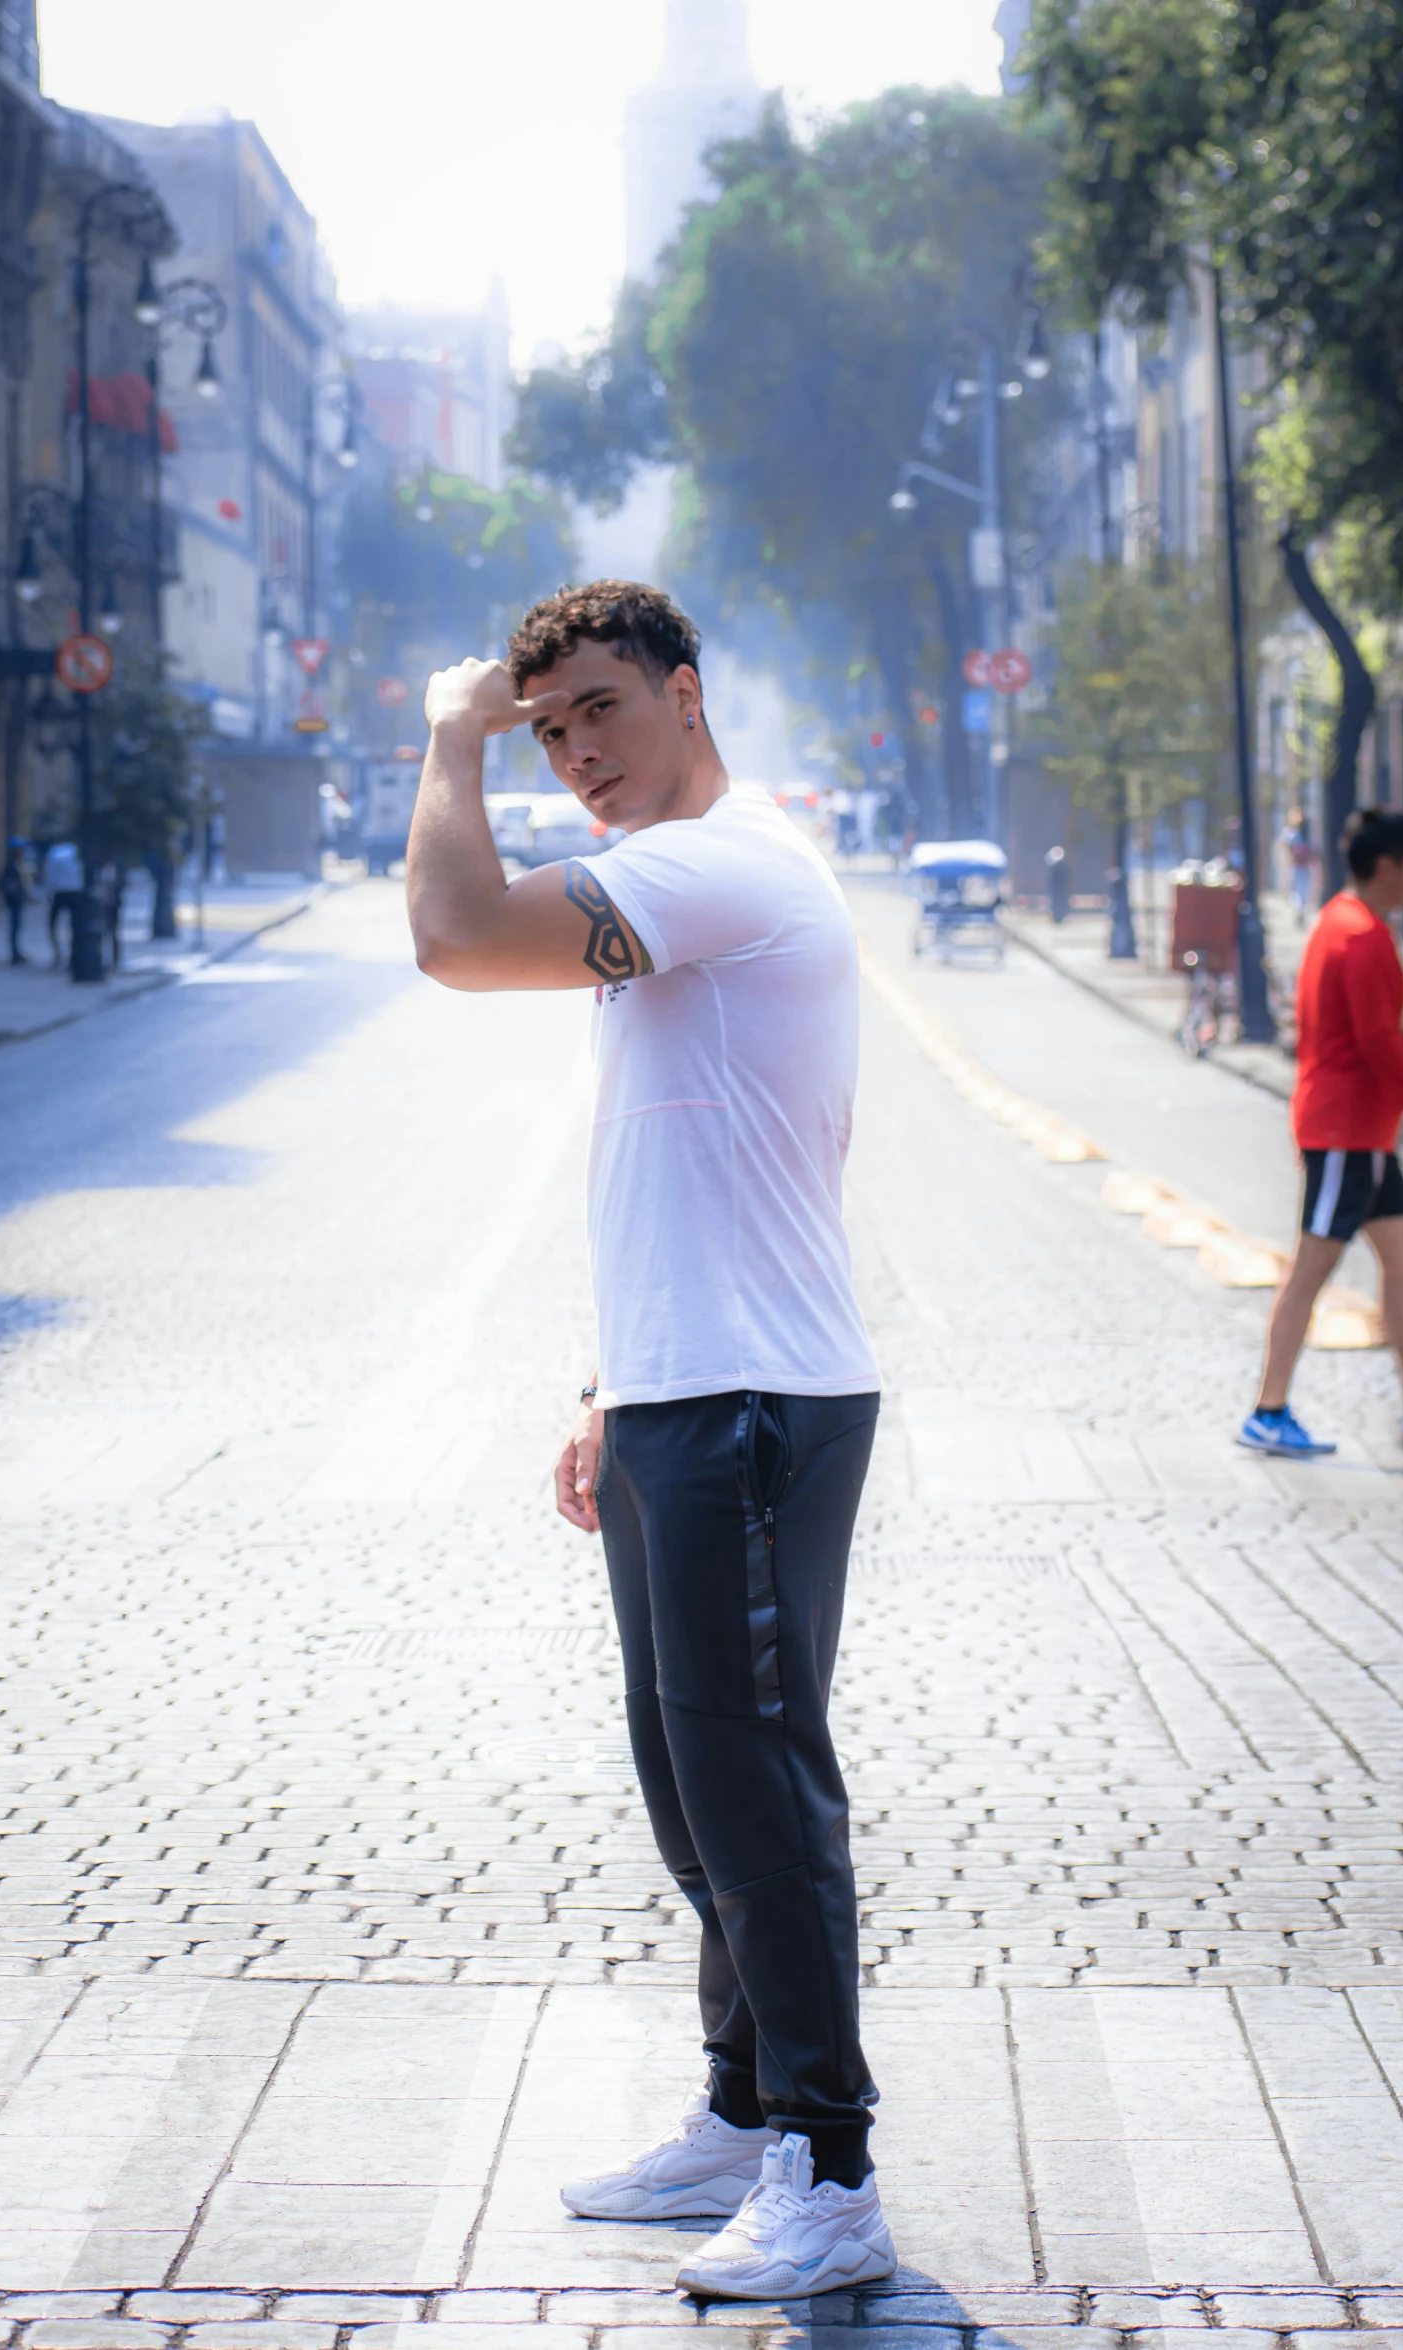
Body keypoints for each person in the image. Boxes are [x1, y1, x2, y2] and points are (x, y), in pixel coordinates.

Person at [406, 582, 893, 2301]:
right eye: (545, 732)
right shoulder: (684, 888)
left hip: (754, 1403)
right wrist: (615, 1387)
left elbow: (455, 933)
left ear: (687, 694)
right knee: (697, 1792)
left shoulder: (722, 866)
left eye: (599, 709)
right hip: (689, 1392)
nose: (576, 753)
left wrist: (450, 736)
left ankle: (828, 2173)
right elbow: (707, 1162)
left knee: (758, 1800)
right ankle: (743, 2109)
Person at [1240, 806, 1403, 1459]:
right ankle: (1268, 1409)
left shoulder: (1338, 921)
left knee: (1401, 1259)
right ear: (1388, 866)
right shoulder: (1362, 937)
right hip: (1346, 1132)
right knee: (1311, 1269)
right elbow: (1380, 1045)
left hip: (1362, 1133)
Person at [42, 837, 84, 968]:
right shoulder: (77, 851)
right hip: (76, 892)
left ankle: (58, 954)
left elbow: (49, 875)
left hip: (59, 892)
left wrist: (48, 891)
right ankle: (73, 955)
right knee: (75, 926)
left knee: (53, 925)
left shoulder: (54, 852)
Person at [1281, 805, 1314, 924]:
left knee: (1299, 891)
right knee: (1299, 891)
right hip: (1300, 866)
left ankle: (1300, 911)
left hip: (1300, 866)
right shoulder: (1295, 833)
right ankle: (1300, 910)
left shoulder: (1299, 834)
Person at [0, 841, 30, 964]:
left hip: (17, 900)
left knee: (17, 927)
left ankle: (16, 952)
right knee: (15, 927)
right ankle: (15, 953)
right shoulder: (11, 865)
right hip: (14, 900)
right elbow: (6, 883)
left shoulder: (18, 864)